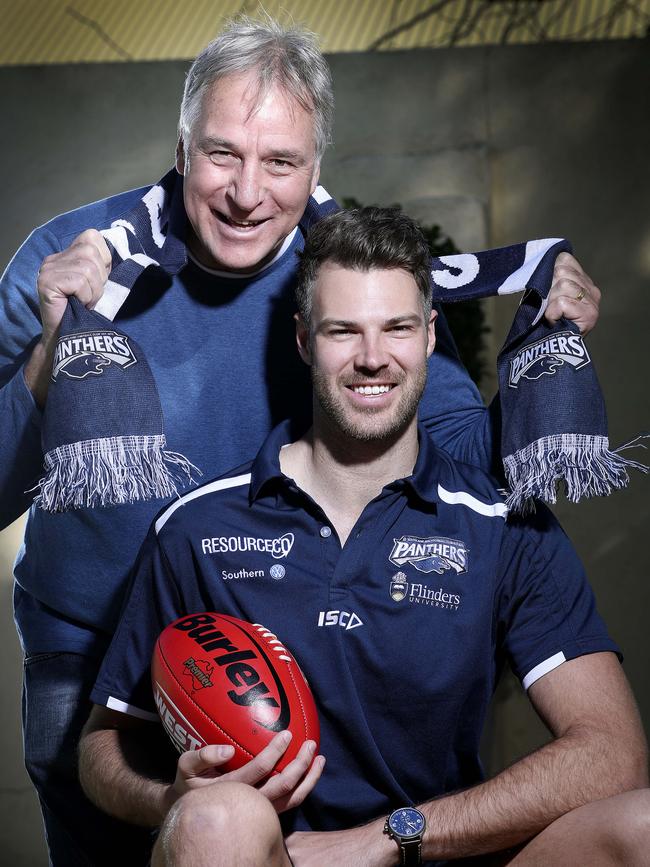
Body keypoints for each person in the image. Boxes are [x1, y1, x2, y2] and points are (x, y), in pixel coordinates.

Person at [0, 17, 601, 867]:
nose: (248, 192)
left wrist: (542, 350)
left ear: (317, 166)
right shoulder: (72, 261)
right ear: (180, 148)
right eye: (222, 155)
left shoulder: (344, 276)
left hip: (280, 667)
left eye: (281, 162)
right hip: (97, 668)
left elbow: (466, 464)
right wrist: (45, 366)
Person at [79, 207, 648, 866]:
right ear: (303, 339)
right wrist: (167, 797)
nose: (373, 357)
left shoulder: (501, 520)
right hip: (275, 855)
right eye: (343, 330)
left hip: (430, 846)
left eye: (397, 328)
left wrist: (386, 838)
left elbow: (614, 750)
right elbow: (101, 744)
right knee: (213, 819)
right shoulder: (199, 528)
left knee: (642, 825)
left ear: (430, 335)